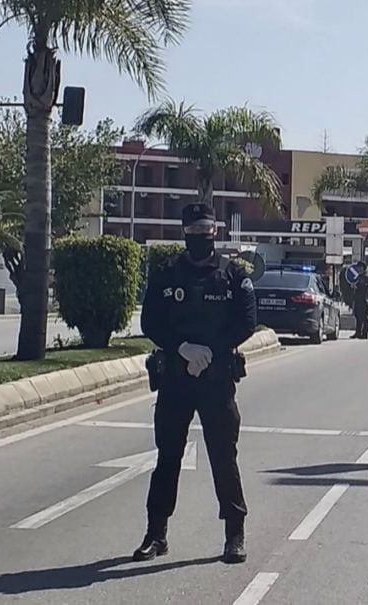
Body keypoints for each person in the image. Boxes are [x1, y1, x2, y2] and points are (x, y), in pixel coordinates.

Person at [134, 203, 256, 565]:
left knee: (223, 456)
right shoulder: (166, 274)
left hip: (217, 380)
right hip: (175, 378)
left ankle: (234, 534)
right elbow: (150, 322)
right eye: (193, 232)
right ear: (184, 233)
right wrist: (182, 348)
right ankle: (156, 534)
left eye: (206, 231)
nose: (200, 238)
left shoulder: (234, 275)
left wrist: (210, 352)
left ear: (215, 232)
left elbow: (246, 322)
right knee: (167, 457)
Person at [352, 262, 368, 340]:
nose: (358, 269)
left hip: (363, 299)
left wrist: (357, 285)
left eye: (360, 267)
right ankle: (358, 332)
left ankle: (364, 333)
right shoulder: (358, 277)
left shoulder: (365, 277)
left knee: (363, 317)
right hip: (357, 299)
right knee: (357, 316)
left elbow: (364, 286)